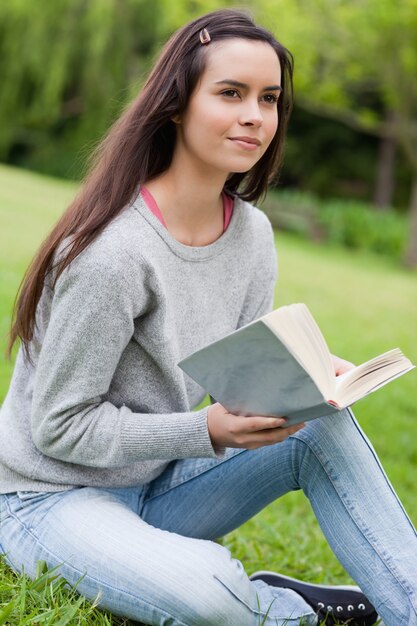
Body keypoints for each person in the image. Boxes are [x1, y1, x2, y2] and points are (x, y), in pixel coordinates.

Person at [0, 8, 415, 626]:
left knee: (324, 426)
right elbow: (60, 428)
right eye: (230, 93)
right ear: (175, 105)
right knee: (209, 583)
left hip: (159, 487)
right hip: (50, 499)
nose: (255, 115)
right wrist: (208, 432)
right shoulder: (113, 254)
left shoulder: (252, 236)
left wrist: (301, 379)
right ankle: (282, 607)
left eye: (269, 99)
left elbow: (237, 371)